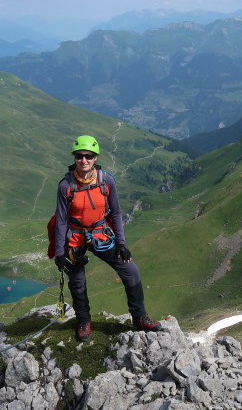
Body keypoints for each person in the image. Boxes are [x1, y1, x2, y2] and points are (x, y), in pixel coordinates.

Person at [53, 135, 162, 341]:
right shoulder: (65, 186)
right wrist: (60, 252)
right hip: (75, 237)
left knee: (131, 271)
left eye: (89, 156)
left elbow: (116, 213)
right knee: (76, 282)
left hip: (100, 233)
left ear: (95, 158)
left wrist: (121, 243)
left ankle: (139, 317)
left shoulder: (106, 181)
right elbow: (60, 221)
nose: (84, 160)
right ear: (74, 158)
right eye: (79, 156)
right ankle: (84, 321)